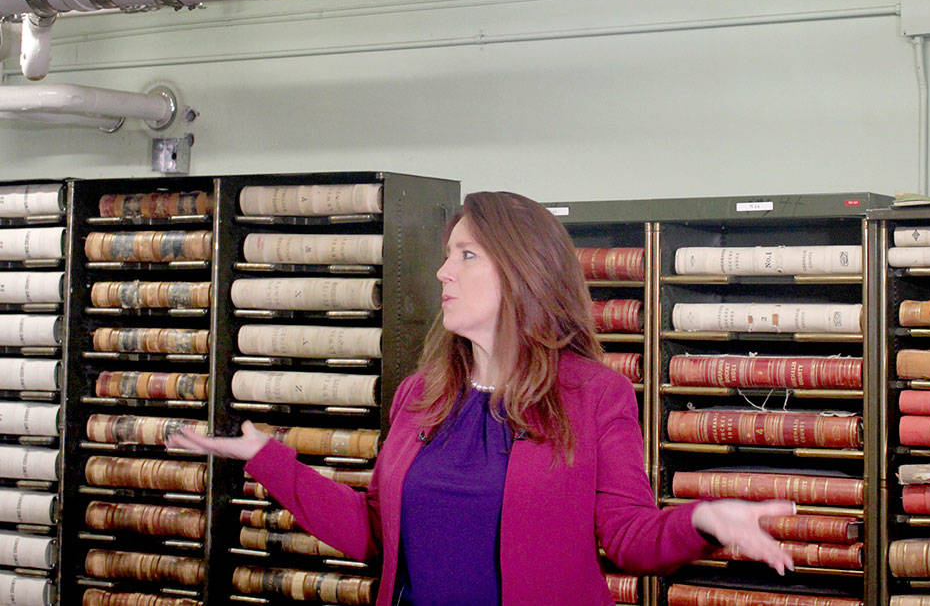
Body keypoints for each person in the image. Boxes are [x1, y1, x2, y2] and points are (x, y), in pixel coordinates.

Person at [171, 191, 795, 605]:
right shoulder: (421, 396)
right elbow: (377, 533)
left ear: (523, 273)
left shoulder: (595, 394)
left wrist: (702, 519)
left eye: (466, 256)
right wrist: (265, 456)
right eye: (448, 257)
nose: (444, 272)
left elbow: (627, 535)